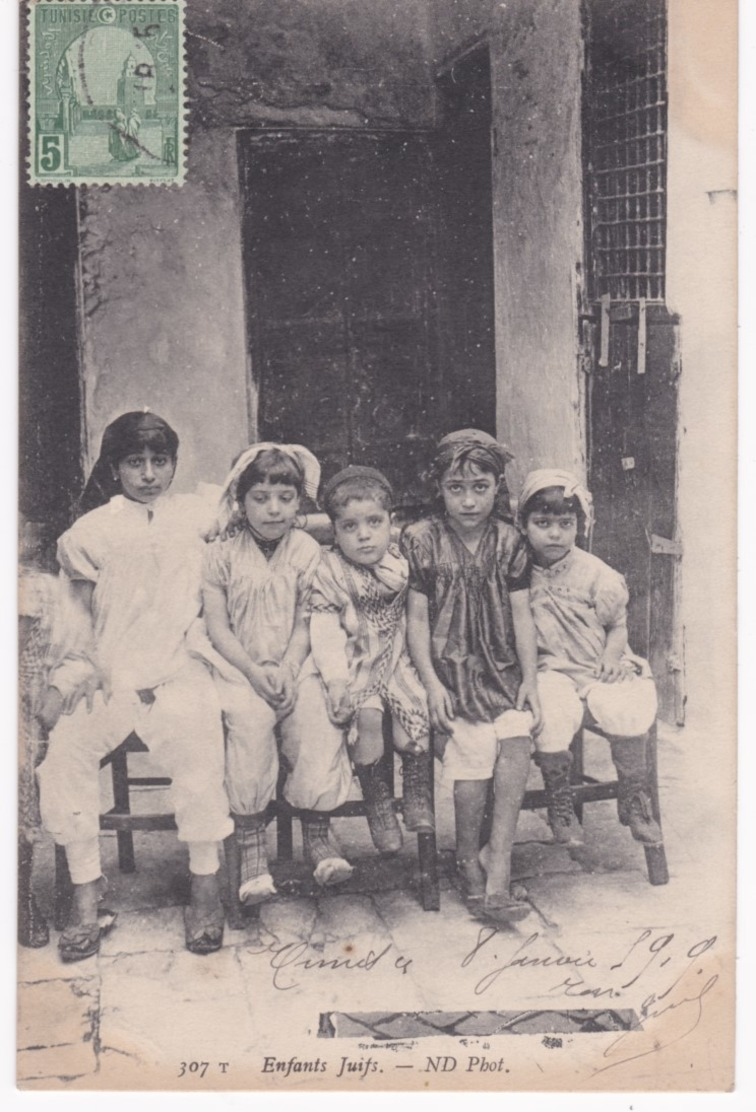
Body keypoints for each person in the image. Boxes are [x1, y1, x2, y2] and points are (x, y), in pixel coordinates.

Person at [36, 412, 232, 961]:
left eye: (159, 461)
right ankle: (85, 894)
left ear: (173, 464)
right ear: (114, 467)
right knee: (66, 754)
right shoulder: (90, 532)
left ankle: (205, 888)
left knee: (199, 746)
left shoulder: (198, 515)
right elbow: (76, 622)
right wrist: (74, 676)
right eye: (134, 462)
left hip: (179, 667)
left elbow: (271, 503)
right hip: (112, 673)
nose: (148, 473)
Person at [201, 444, 354, 907]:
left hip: (295, 663)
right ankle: (251, 847)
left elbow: (311, 620)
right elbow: (217, 626)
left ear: (298, 503)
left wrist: (288, 668)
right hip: (237, 667)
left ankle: (318, 833)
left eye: (285, 498)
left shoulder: (307, 551)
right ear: (240, 501)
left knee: (317, 718)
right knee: (247, 723)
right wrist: (252, 671)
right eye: (261, 498)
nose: (273, 509)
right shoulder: (221, 554)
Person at [402, 429, 541, 924]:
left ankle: (497, 857)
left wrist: (531, 679)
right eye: (455, 487)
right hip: (448, 673)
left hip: (500, 668)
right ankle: (465, 857)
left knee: (517, 734)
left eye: (480, 487)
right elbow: (416, 620)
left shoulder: (510, 540)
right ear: (438, 488)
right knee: (473, 753)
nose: (468, 500)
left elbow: (522, 616)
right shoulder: (421, 539)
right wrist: (431, 683)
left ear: (497, 487)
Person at [517, 469, 662, 847]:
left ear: (579, 526)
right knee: (550, 711)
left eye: (565, 524)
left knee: (628, 703)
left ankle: (633, 796)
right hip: (552, 669)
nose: (554, 534)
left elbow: (617, 624)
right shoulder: (519, 573)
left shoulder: (595, 573)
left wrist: (613, 657)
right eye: (542, 523)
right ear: (524, 524)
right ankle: (559, 800)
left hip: (596, 663)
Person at [310, 466, 433, 855]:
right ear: (334, 531)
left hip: (398, 656)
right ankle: (377, 803)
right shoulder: (330, 569)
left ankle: (416, 791)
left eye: (374, 522)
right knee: (367, 719)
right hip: (356, 660)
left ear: (391, 523)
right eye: (349, 526)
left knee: (413, 717)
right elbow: (325, 629)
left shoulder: (402, 561)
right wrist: (334, 678)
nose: (364, 535)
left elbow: (421, 617)